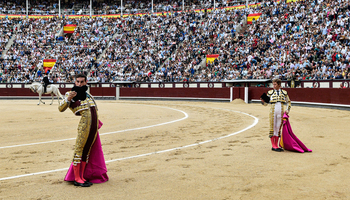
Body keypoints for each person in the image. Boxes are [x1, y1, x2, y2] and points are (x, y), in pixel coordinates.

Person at [58, 73, 108, 187]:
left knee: (86, 151)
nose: (79, 84)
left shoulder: (88, 95)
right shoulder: (69, 94)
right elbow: (60, 108)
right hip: (84, 127)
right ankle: (76, 178)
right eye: (78, 82)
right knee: (79, 150)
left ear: (86, 82)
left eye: (82, 82)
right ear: (75, 82)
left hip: (93, 127)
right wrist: (68, 99)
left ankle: (82, 177)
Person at [261, 78, 291, 152]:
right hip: (273, 112)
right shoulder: (270, 92)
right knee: (272, 128)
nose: (273, 86)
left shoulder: (284, 92)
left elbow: (288, 102)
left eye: (275, 84)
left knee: (278, 128)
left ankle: (276, 145)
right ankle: (273, 145)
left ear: (279, 85)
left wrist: (287, 109)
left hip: (281, 112)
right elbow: (265, 104)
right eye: (273, 84)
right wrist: (262, 101)